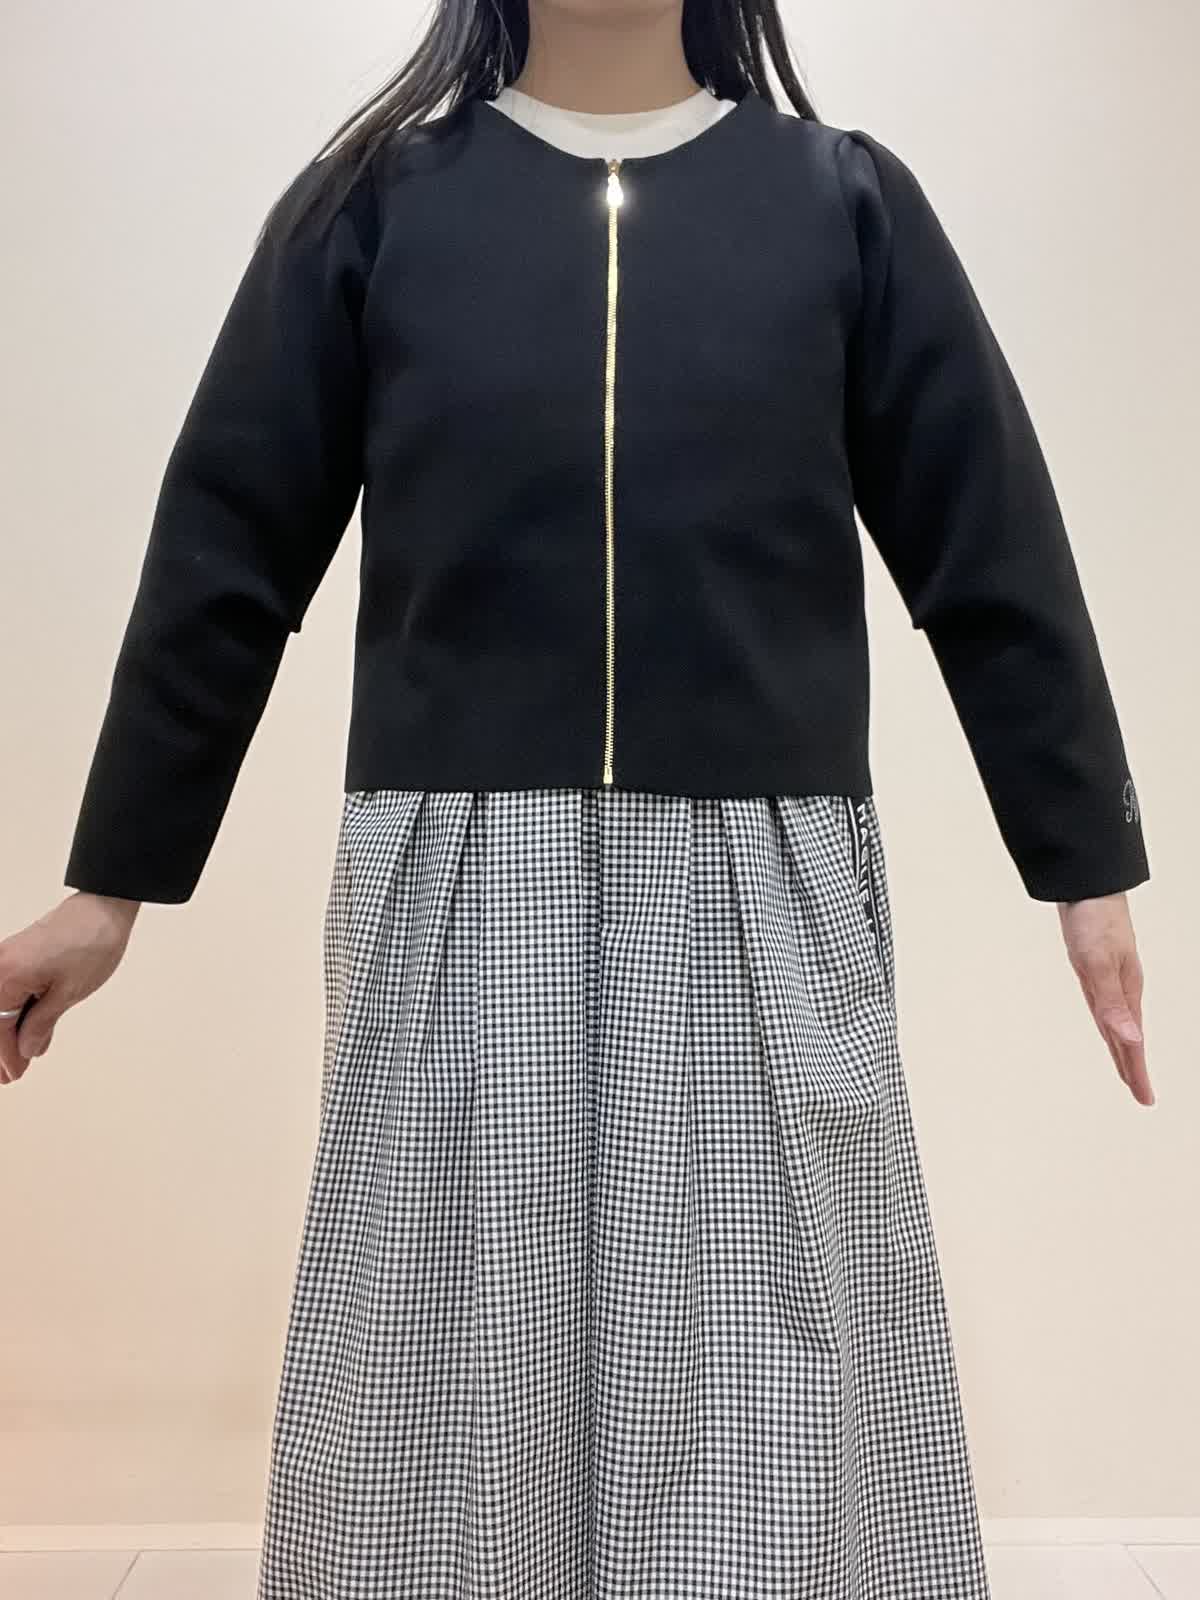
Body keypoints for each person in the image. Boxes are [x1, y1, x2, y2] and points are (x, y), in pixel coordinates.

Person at [0, 3, 1152, 1595]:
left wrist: (1084, 866)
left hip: (762, 890)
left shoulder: (843, 204)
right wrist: (110, 888)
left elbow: (991, 547)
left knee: (768, 1375)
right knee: (447, 1373)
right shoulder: (372, 211)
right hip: (459, 891)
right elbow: (225, 562)